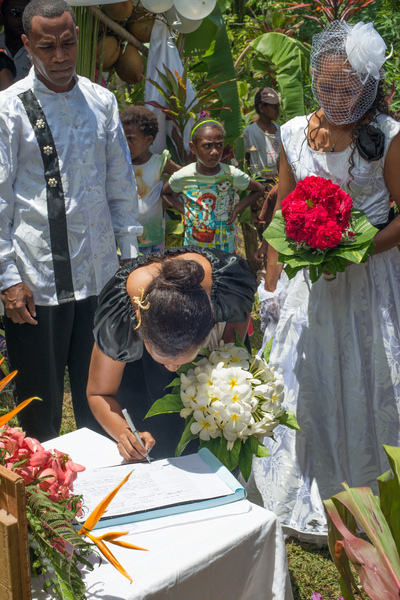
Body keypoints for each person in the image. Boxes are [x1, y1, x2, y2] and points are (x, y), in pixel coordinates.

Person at [249, 20, 400, 541]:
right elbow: (281, 215)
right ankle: (302, 485)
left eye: (348, 87)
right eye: (327, 86)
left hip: (369, 282)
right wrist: (270, 288)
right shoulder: (293, 132)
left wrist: (356, 249)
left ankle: (370, 486)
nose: (336, 97)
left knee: (366, 373)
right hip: (306, 287)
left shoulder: (389, 138)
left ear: (368, 86)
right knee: (301, 379)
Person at [0, 0, 142, 442]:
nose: (60, 56)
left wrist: (131, 262)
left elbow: (120, 185)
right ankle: (44, 500)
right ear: (27, 45)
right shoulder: (9, 109)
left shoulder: (101, 101)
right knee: (38, 411)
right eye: (47, 47)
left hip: (101, 277)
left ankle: (102, 499)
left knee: (99, 400)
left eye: (68, 44)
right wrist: (7, 277)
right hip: (36, 283)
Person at [87, 247, 257, 461]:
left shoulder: (229, 287)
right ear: (138, 321)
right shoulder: (123, 310)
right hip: (142, 383)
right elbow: (98, 393)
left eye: (183, 360)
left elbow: (233, 350)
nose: (173, 368)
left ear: (211, 322)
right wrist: (124, 432)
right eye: (163, 360)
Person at [162, 119, 264, 254]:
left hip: (225, 249)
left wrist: (237, 209)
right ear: (193, 147)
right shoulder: (184, 175)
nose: (215, 151)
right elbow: (165, 192)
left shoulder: (230, 174)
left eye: (219, 145)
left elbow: (259, 189)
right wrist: (184, 211)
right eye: (207, 146)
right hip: (194, 250)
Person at [120, 105, 180, 254]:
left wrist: (168, 200)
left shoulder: (159, 162)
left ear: (148, 140)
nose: (124, 144)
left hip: (153, 236)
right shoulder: (118, 164)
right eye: (121, 138)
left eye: (130, 139)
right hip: (123, 237)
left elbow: (184, 176)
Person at [243, 87, 281, 181]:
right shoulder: (250, 132)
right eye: (273, 107)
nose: (277, 110)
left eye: (277, 106)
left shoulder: (281, 130)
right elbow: (245, 158)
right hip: (260, 182)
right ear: (261, 108)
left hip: (278, 182)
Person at [0, 0, 30, 84]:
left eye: (26, 14)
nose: (22, 19)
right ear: (2, 18)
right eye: (15, 13)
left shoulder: (39, 50)